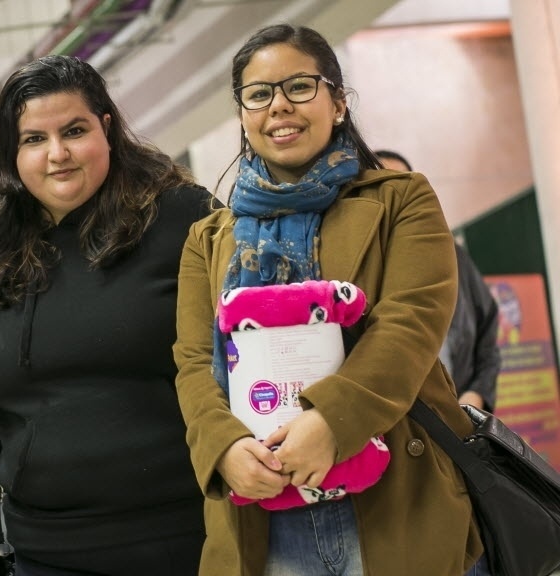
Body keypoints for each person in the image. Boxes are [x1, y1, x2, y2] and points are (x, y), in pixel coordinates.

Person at [173, 24, 488, 575]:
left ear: (338, 102)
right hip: (263, 512)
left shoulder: (403, 200)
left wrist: (330, 423)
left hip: (394, 493)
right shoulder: (209, 238)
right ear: (243, 114)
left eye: (299, 87)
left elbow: (409, 326)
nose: (278, 107)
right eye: (258, 94)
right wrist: (222, 448)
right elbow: (195, 360)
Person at [0, 54, 214, 575]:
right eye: (33, 140)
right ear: (11, 153)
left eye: (74, 130)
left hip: (186, 537)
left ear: (107, 129)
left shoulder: (182, 217)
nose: (58, 154)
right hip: (44, 551)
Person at [375, 149, 501, 412]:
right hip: (391, 424)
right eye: (380, 186)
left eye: (401, 185)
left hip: (456, 419)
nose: (393, 198)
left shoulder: (451, 253)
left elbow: (488, 333)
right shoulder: (358, 264)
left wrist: (477, 394)